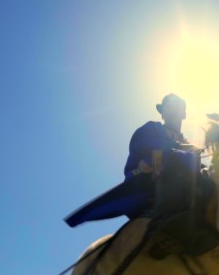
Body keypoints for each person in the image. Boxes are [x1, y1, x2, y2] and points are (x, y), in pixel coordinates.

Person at [64, 93, 199, 227]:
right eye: (168, 107)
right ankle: (163, 219)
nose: (172, 110)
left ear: (184, 114)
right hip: (147, 181)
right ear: (162, 113)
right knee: (175, 161)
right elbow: (138, 145)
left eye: (176, 106)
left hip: (184, 181)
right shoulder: (153, 128)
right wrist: (174, 146)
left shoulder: (188, 143)